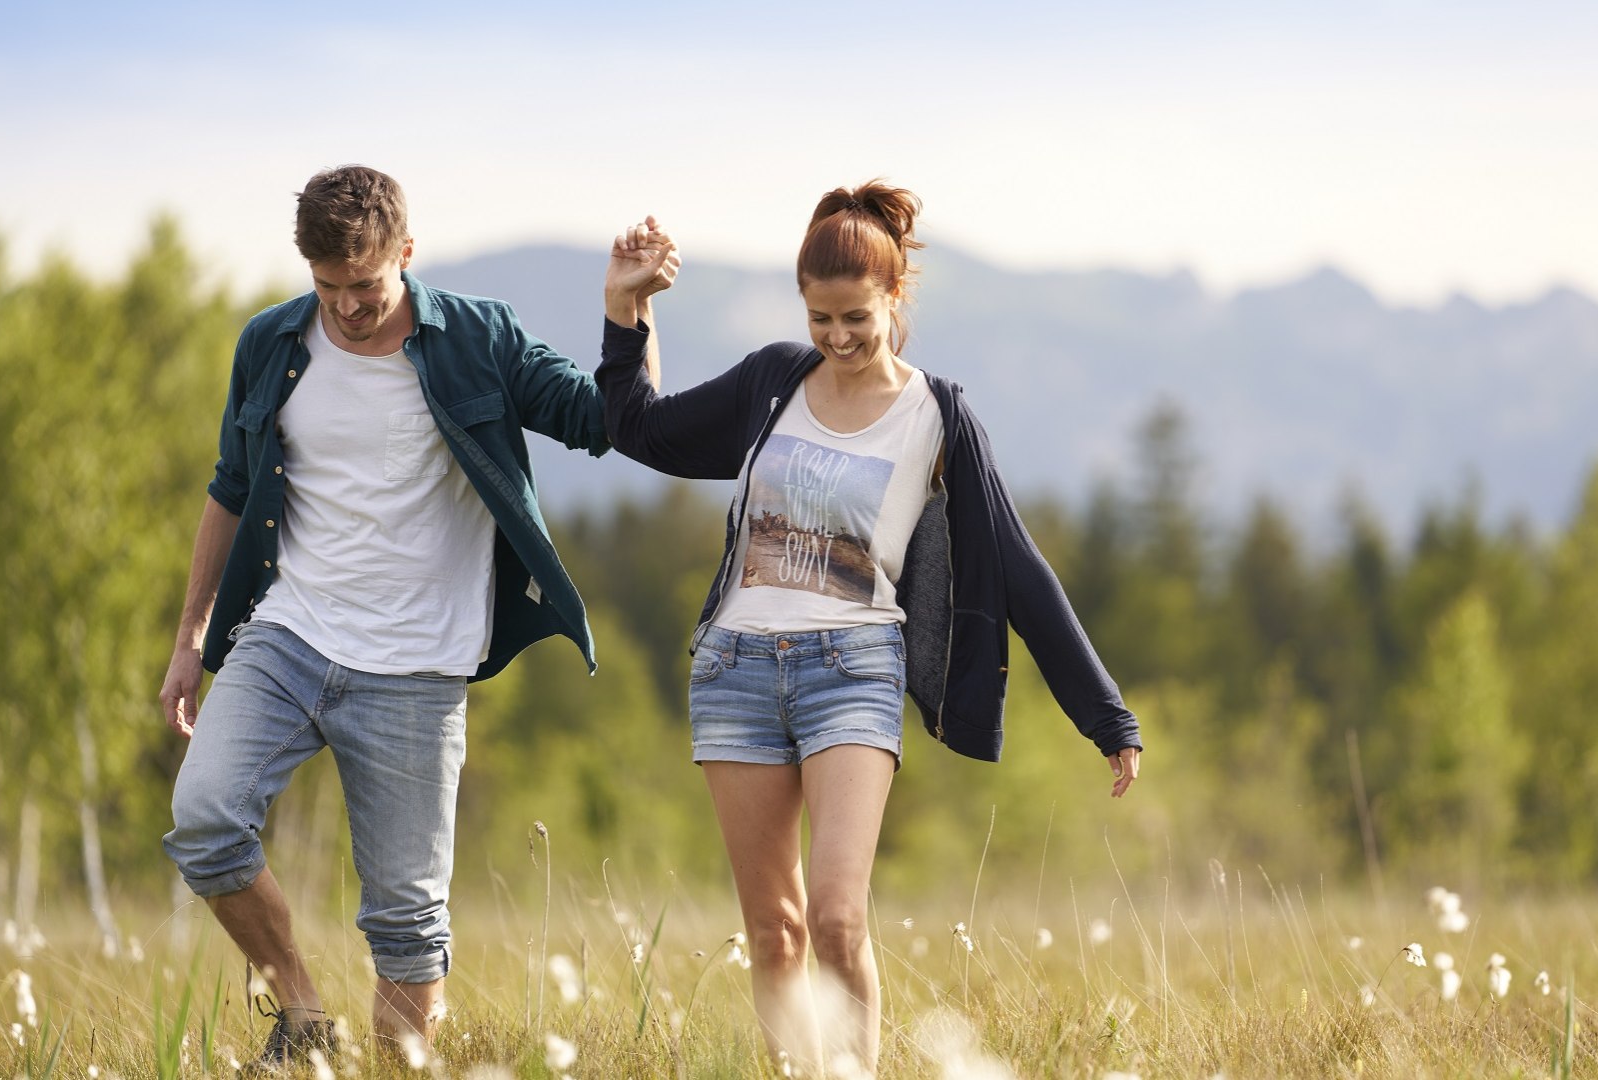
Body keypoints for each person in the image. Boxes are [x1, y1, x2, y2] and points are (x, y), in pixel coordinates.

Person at [595, 182, 1142, 1076]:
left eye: (856, 317)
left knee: (838, 921)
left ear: (896, 299)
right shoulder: (775, 380)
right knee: (774, 935)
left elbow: (1016, 567)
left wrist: (1106, 715)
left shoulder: (938, 415)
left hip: (852, 665)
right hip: (734, 665)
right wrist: (628, 312)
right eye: (821, 319)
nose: (839, 338)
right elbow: (643, 430)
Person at [157, 165, 647, 1069]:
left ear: (407, 256)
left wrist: (627, 316)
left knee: (408, 937)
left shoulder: (478, 338)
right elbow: (230, 489)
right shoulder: (270, 343)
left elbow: (603, 420)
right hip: (289, 635)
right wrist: (192, 638)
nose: (346, 308)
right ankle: (300, 1016)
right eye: (328, 288)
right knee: (205, 819)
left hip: (417, 669)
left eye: (367, 287)